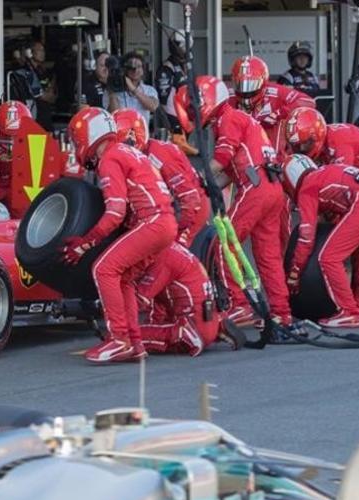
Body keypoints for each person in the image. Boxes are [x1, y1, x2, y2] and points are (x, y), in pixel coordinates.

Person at [173, 76, 292, 328]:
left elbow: (223, 159)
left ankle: (240, 305)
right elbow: (232, 169)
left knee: (224, 243)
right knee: (268, 256)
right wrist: (209, 186)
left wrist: (196, 177)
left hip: (255, 187)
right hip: (272, 188)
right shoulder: (240, 118)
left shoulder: (228, 118)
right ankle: (281, 312)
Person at [60, 107, 176, 363]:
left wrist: (83, 244)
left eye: (77, 139)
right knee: (123, 278)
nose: (76, 144)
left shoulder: (110, 158)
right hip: (165, 223)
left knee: (103, 269)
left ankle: (119, 339)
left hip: (152, 222)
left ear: (88, 136)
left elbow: (115, 212)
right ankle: (135, 342)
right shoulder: (127, 150)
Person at [282, 155, 359, 328]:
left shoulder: (308, 186)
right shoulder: (326, 171)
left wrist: (295, 273)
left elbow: (306, 237)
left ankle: (349, 312)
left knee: (329, 258)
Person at [114, 108, 208, 247]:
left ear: (133, 136)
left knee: (167, 255)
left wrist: (174, 228)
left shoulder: (160, 154)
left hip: (190, 209)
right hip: (164, 212)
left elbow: (190, 199)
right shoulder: (131, 160)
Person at [136, 243, 239, 356]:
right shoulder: (173, 247)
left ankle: (185, 333)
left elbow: (139, 300)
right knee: (167, 293)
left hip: (192, 325)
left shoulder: (163, 260)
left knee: (128, 336)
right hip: (207, 315)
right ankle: (216, 326)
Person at [284, 107, 359, 190]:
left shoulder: (339, 141)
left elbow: (342, 180)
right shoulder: (324, 142)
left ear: (316, 134)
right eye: (297, 146)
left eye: (305, 143)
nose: (302, 149)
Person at [228, 56, 315, 149]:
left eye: (251, 84)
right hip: (241, 152)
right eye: (240, 84)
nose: (245, 90)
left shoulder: (275, 92)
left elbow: (308, 102)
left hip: (274, 153)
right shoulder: (229, 97)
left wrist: (279, 114)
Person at [155, 31, 190, 129]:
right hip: (173, 118)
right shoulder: (167, 68)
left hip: (185, 116)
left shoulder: (185, 66)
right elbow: (164, 99)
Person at [117, 52, 160, 122]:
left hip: (141, 131)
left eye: (139, 66)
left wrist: (134, 89)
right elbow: (113, 114)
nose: (135, 70)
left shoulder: (149, 90)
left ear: (143, 70)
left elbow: (153, 107)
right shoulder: (116, 90)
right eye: (131, 67)